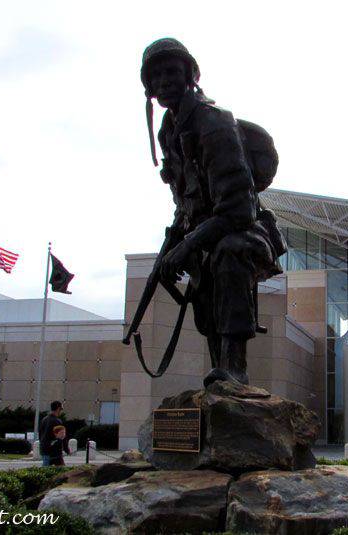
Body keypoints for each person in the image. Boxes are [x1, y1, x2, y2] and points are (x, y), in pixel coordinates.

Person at [139, 37, 284, 387]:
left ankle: (236, 368)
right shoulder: (169, 132)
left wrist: (188, 244)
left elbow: (239, 208)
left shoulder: (213, 123)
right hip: (203, 231)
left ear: (190, 75)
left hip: (244, 229)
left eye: (172, 71)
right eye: (155, 75)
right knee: (203, 281)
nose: (164, 81)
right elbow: (185, 198)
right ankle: (222, 374)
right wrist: (175, 241)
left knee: (228, 253)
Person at [40, 401, 70, 466]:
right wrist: (66, 449)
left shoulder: (44, 420)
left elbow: (40, 434)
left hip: (45, 449)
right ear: (58, 409)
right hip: (55, 451)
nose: (60, 412)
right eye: (60, 409)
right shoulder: (57, 421)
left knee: (45, 471)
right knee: (61, 472)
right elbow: (62, 436)